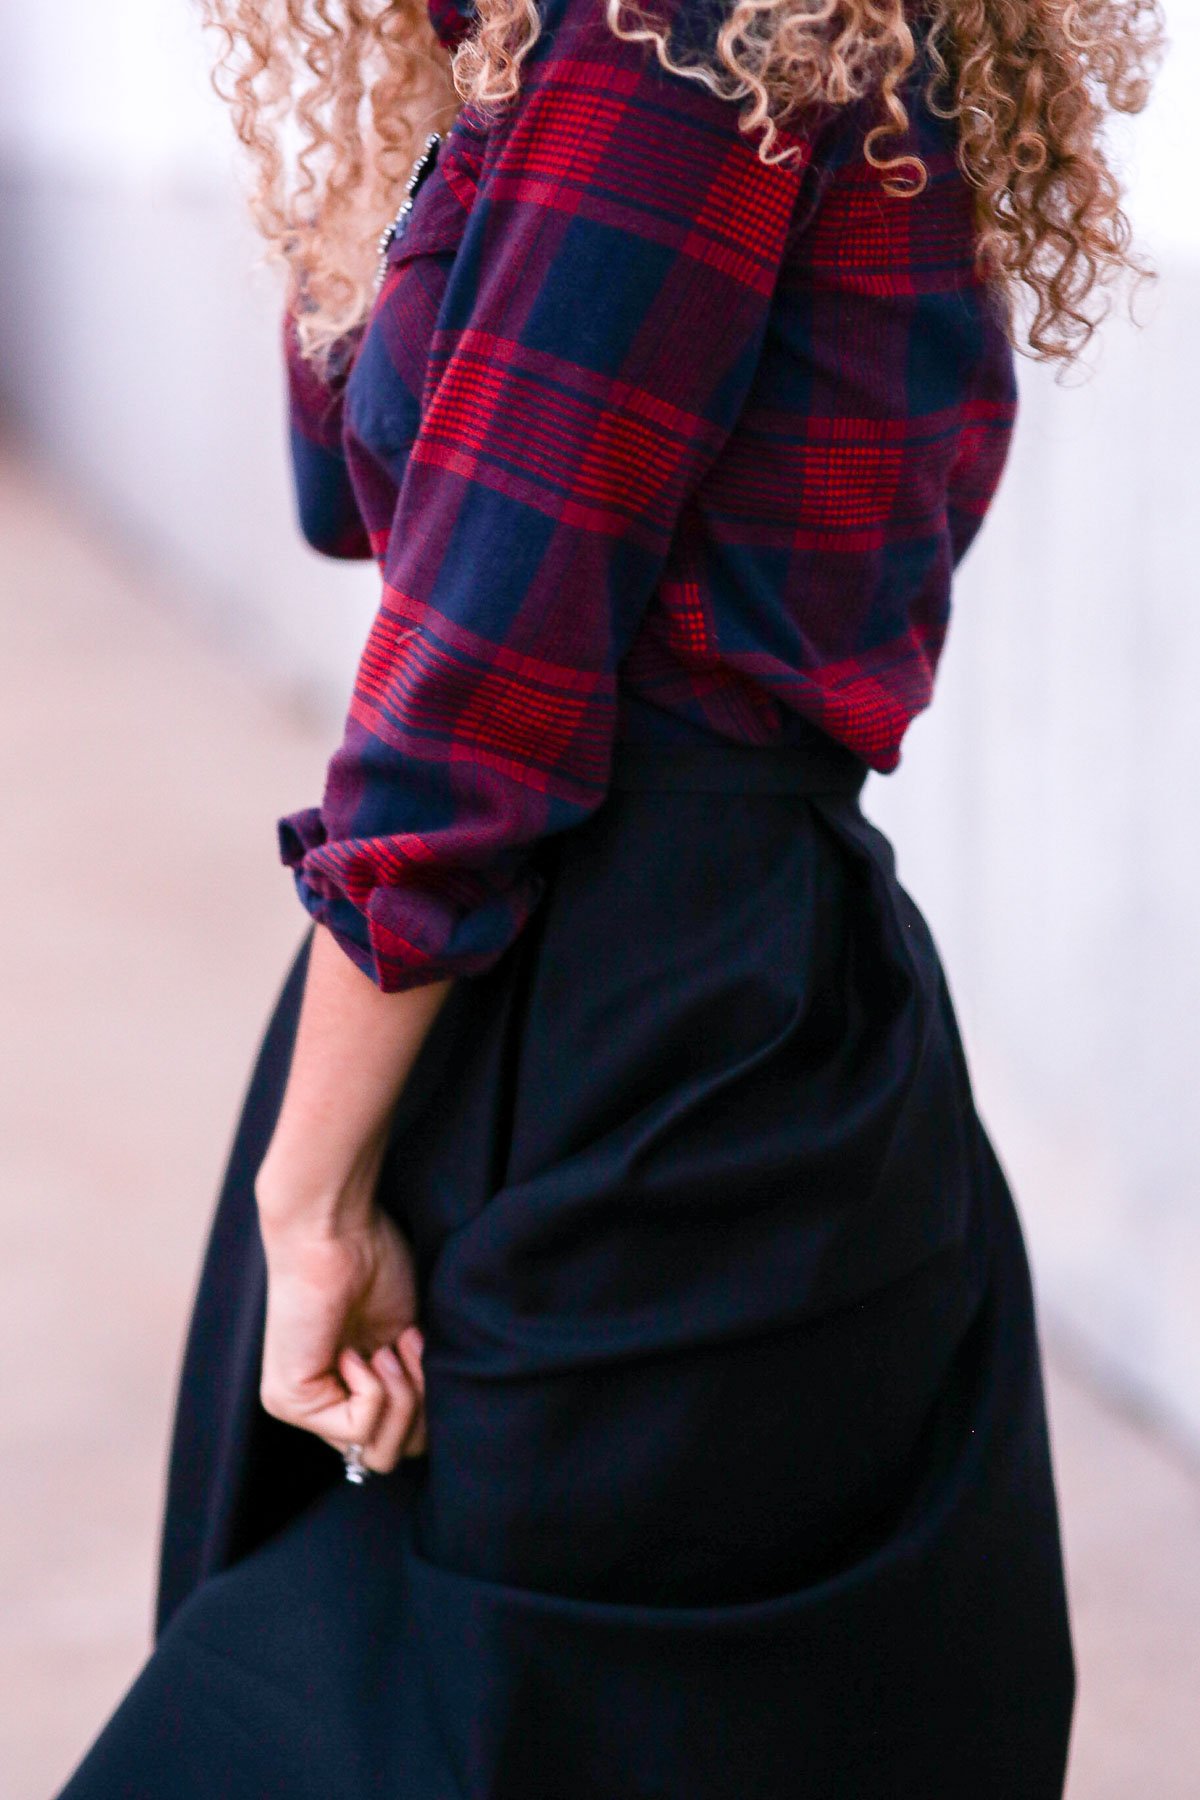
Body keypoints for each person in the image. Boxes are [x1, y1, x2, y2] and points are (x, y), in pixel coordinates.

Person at [57, 0, 1163, 1792]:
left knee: (457, 1713)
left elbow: (476, 676)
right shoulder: (625, 48)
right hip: (670, 971)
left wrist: (312, 1190)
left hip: (629, 1004)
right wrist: (423, 101)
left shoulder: (680, 49)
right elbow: (351, 493)